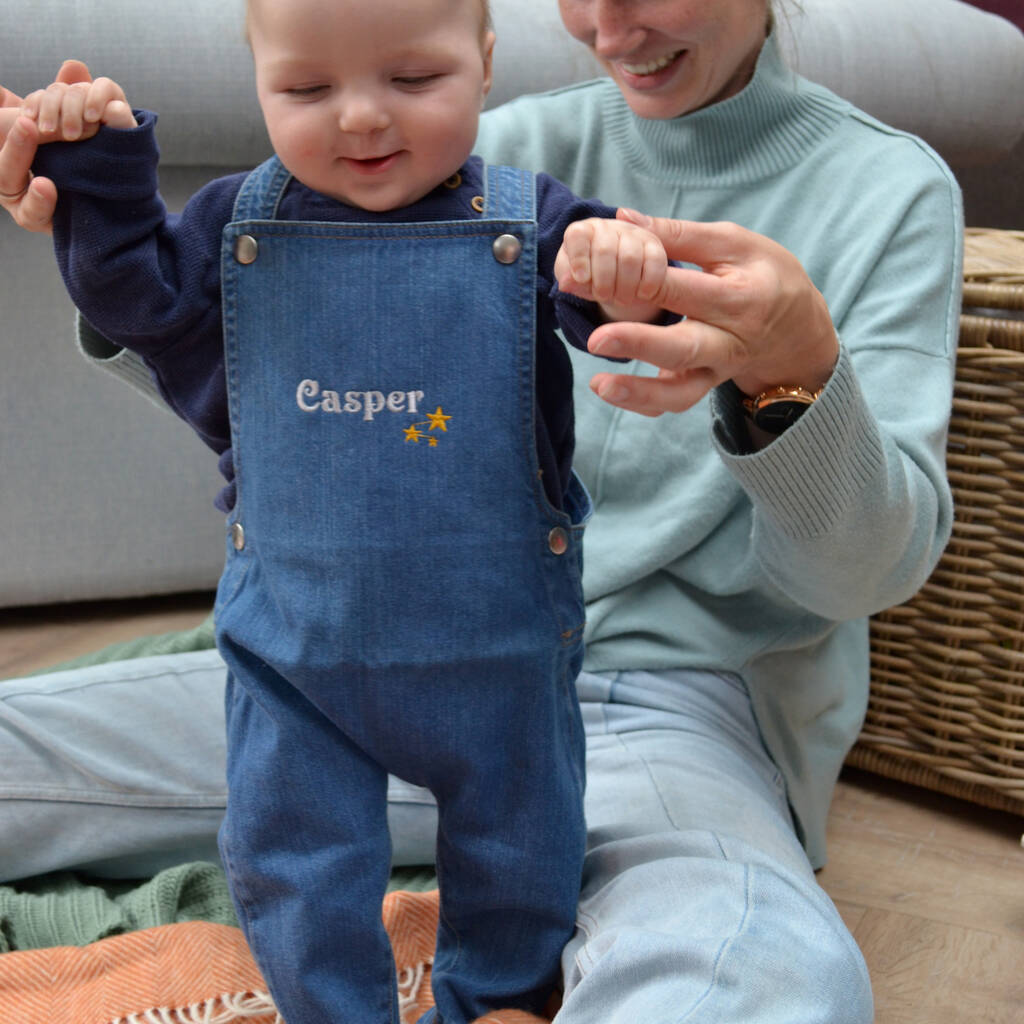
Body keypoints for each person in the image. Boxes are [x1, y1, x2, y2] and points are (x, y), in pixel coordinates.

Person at [0, 1, 964, 1021]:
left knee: (758, 974)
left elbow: (865, 574)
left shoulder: (886, 192)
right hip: (319, 656)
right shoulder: (442, 147)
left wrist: (793, 377)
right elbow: (273, 411)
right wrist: (98, 212)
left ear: (476, 59)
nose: (608, 20)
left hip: (648, 704)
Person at [7, 2, 673, 1023]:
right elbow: (130, 298)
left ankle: (500, 996)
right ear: (258, 83)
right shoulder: (235, 225)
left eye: (413, 81)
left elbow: (618, 309)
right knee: (290, 853)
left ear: (486, 66)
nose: (361, 119)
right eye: (307, 90)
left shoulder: (524, 218)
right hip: (296, 653)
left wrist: (621, 274)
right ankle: (330, 1006)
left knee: (520, 838)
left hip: (492, 646)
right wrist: (93, 167)